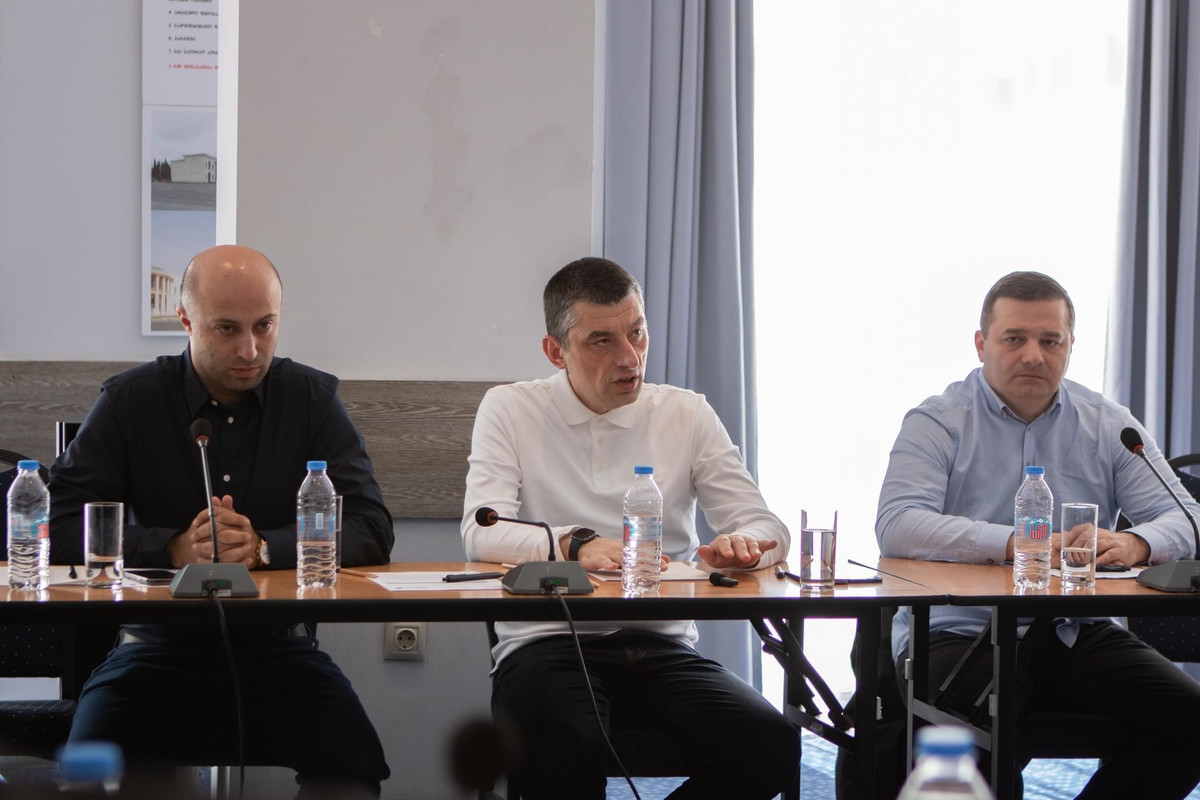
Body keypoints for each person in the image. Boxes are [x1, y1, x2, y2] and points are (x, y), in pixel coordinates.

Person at [48, 245, 393, 797]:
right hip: (153, 651)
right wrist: (172, 549)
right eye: (227, 329)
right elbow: (58, 526)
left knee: (353, 764)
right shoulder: (131, 401)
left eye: (265, 326)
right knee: (89, 774)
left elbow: (371, 527)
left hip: (276, 649)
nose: (250, 350)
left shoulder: (310, 400)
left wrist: (263, 548)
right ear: (186, 321)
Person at [461, 256, 799, 799]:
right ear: (556, 351)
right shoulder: (509, 408)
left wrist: (747, 546)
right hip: (548, 644)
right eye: (602, 341)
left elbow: (767, 525)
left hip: (662, 645)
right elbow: (482, 531)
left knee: (770, 743)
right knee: (561, 750)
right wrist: (576, 543)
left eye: (637, 332)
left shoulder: (686, 413)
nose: (629, 357)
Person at [877, 270, 1200, 798]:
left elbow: (1187, 517)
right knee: (970, 731)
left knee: (1189, 719)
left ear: (1070, 347)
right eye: (1014, 339)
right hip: (962, 629)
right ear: (981, 344)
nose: (1033, 355)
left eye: (1051, 341)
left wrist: (1134, 542)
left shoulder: (1109, 423)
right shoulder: (937, 421)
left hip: (1076, 629)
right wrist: (1017, 544)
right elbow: (898, 524)